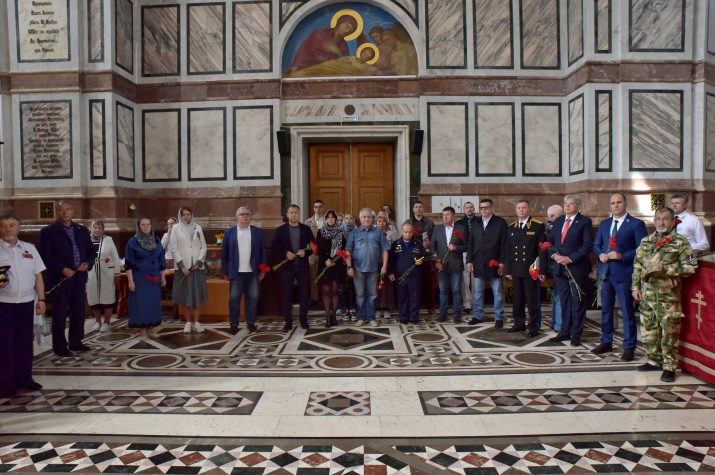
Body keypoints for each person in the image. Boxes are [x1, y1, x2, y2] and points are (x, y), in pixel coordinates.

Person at [632, 207, 697, 382]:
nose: (661, 222)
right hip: (647, 294)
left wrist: (667, 269)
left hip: (668, 296)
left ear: (673, 221)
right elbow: (637, 265)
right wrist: (635, 287)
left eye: (665, 219)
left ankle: (669, 366)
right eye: (658, 219)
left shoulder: (681, 242)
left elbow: (692, 266)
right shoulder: (646, 241)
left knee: (669, 332)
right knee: (649, 329)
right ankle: (653, 360)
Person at [591, 193, 648, 361]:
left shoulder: (636, 224)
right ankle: (606, 341)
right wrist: (600, 254)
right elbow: (597, 244)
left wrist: (622, 255)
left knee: (627, 311)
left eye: (619, 202)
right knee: (606, 310)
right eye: (613, 203)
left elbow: (642, 249)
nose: (616, 206)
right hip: (606, 274)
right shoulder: (605, 223)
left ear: (625, 203)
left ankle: (629, 346)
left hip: (624, 273)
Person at [38, 200, 96, 357]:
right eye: (61, 210)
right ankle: (60, 346)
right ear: (57, 212)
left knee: (79, 313)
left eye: (68, 209)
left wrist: (87, 264)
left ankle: (76, 342)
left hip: (79, 278)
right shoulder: (48, 232)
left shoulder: (81, 230)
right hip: (60, 280)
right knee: (60, 314)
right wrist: (62, 269)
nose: (65, 212)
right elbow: (44, 256)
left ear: (72, 211)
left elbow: (91, 252)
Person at [0, 214, 46, 398]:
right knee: (5, 344)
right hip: (4, 304)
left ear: (19, 228)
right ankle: (6, 383)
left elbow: (38, 275)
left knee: (25, 342)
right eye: (3, 226)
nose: (8, 229)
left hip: (27, 302)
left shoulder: (29, 248)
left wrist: (41, 299)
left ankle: (25, 378)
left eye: (11, 225)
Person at [547, 194, 594, 347]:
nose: (567, 206)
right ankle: (564, 331)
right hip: (560, 268)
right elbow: (550, 242)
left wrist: (570, 258)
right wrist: (553, 255)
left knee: (577, 302)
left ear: (578, 205)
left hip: (577, 268)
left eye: (571, 203)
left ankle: (576, 334)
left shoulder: (585, 222)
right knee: (564, 301)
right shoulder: (559, 221)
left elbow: (587, 245)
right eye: (566, 203)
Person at [221, 206, 268, 335]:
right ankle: (234, 324)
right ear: (237, 217)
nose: (245, 216)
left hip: (253, 272)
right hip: (236, 272)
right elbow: (224, 254)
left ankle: (251, 323)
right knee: (234, 299)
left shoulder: (257, 232)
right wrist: (224, 271)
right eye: (242, 214)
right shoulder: (229, 233)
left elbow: (263, 252)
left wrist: (263, 269)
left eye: (247, 214)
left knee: (252, 298)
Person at [505, 200, 547, 337]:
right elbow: (508, 250)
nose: (521, 210)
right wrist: (508, 270)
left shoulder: (537, 226)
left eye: (524, 208)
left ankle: (533, 326)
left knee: (531, 300)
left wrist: (542, 270)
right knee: (517, 299)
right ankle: (519, 323)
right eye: (519, 208)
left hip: (531, 270)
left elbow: (542, 250)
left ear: (529, 209)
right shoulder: (511, 227)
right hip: (516, 269)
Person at [272, 204, 315, 331]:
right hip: (287, 268)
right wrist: (285, 253)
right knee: (287, 295)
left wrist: (305, 252)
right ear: (287, 215)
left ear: (299, 214)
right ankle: (288, 321)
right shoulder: (281, 230)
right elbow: (274, 247)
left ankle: (303, 319)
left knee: (304, 294)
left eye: (296, 212)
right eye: (291, 212)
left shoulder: (306, 229)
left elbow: (313, 246)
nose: (293, 215)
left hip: (302, 268)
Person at [466, 198, 507, 328]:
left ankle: (499, 317)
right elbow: (470, 243)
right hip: (478, 262)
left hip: (494, 262)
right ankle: (477, 315)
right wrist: (469, 260)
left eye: (486, 207)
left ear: (492, 208)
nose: (483, 210)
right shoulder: (476, 223)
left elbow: (504, 244)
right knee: (478, 292)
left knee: (498, 292)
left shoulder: (500, 222)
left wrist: (502, 261)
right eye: (481, 208)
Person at [345, 208, 390, 327]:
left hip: (374, 269)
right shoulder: (354, 233)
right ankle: (362, 317)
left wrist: (384, 266)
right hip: (357, 269)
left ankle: (371, 318)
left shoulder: (378, 233)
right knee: (360, 294)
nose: (366, 219)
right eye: (364, 217)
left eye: (368, 217)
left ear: (372, 219)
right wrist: (349, 267)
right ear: (360, 219)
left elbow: (385, 250)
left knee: (372, 294)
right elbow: (348, 251)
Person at [125, 217, 166, 340]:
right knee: (141, 304)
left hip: (154, 279)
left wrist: (163, 277)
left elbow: (161, 260)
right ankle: (142, 330)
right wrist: (130, 281)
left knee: (152, 303)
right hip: (140, 278)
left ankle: (150, 328)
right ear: (139, 226)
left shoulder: (156, 240)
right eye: (143, 224)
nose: (146, 227)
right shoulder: (132, 242)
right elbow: (128, 264)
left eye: (148, 224)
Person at [170, 206, 208, 334]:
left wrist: (199, 262)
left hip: (196, 268)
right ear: (180, 216)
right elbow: (173, 248)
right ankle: (187, 322)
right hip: (183, 269)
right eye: (184, 214)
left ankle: (196, 322)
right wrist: (182, 266)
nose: (186, 217)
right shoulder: (176, 228)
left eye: (188, 214)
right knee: (185, 296)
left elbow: (203, 247)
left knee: (196, 296)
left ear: (191, 215)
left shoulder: (198, 228)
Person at [285, 15, 359, 74]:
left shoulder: (343, 44)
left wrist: (339, 53)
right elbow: (316, 54)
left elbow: (346, 59)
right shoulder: (320, 34)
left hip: (327, 71)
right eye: (347, 26)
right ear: (340, 23)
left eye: (350, 31)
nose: (347, 31)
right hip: (305, 66)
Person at [431, 207, 467, 323]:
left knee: (456, 290)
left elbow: (466, 246)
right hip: (442, 265)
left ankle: (457, 314)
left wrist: (456, 248)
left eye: (448, 215)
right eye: (443, 215)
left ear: (453, 216)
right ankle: (443, 313)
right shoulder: (437, 229)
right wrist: (436, 261)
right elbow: (432, 247)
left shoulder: (461, 229)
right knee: (443, 290)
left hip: (456, 264)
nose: (445, 217)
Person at [388, 222, 429, 323]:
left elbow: (425, 256)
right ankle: (403, 317)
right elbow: (391, 260)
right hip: (400, 275)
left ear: (412, 232)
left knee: (414, 296)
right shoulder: (396, 244)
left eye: (410, 232)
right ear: (401, 232)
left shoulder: (418, 244)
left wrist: (422, 261)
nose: (408, 234)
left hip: (415, 275)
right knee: (402, 296)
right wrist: (391, 272)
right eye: (406, 232)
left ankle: (414, 317)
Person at [86, 220, 121, 333]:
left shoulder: (108, 240)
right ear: (91, 229)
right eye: (95, 227)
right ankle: (97, 321)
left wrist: (117, 273)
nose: (97, 230)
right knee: (93, 297)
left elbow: (115, 257)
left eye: (100, 228)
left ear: (103, 230)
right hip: (91, 273)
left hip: (107, 273)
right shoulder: (86, 240)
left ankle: (107, 322)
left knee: (107, 297)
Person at [315, 209, 347, 328]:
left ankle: (334, 317)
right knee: (326, 291)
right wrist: (326, 260)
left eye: (332, 217)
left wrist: (335, 260)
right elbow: (318, 249)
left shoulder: (341, 232)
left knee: (335, 290)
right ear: (325, 219)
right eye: (328, 217)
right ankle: (327, 318)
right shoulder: (321, 231)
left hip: (336, 265)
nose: (330, 219)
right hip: (325, 263)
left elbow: (344, 249)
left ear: (336, 219)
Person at [407, 201, 436, 315]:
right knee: (414, 283)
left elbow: (434, 239)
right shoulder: (408, 223)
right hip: (412, 256)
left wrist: (429, 244)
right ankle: (415, 306)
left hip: (426, 256)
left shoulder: (429, 223)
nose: (418, 209)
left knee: (428, 282)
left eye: (420, 207)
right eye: (416, 207)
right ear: (413, 209)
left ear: (423, 209)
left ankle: (430, 306)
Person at [545, 205, 564, 332]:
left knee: (558, 294)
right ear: (552, 216)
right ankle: (559, 324)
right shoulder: (552, 228)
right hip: (554, 264)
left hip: (553, 264)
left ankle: (556, 322)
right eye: (561, 216)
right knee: (559, 294)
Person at [457, 202, 478, 313]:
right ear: (464, 210)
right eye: (467, 207)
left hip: (477, 252)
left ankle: (476, 302)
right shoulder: (459, 223)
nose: (469, 209)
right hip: (464, 252)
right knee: (465, 278)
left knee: (476, 278)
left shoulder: (479, 221)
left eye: (471, 207)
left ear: (474, 209)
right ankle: (467, 303)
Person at [375, 215, 397, 319]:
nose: (381, 223)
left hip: (387, 264)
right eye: (379, 221)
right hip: (375, 264)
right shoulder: (373, 233)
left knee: (386, 288)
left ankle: (386, 308)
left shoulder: (390, 234)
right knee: (376, 287)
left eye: (383, 221)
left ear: (386, 223)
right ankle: (377, 308)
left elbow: (394, 249)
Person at [306, 199, 325, 304]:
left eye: (320, 207)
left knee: (324, 275)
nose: (318, 209)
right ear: (313, 208)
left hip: (324, 253)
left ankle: (324, 297)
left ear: (323, 208)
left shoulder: (327, 221)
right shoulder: (308, 222)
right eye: (316, 207)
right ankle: (314, 298)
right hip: (312, 253)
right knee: (313, 276)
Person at [342, 212, 358, 322]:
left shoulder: (358, 231)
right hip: (342, 263)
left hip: (356, 262)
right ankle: (347, 310)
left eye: (351, 218)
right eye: (346, 218)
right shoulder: (340, 232)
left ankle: (354, 309)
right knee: (345, 288)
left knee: (355, 287)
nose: (348, 220)